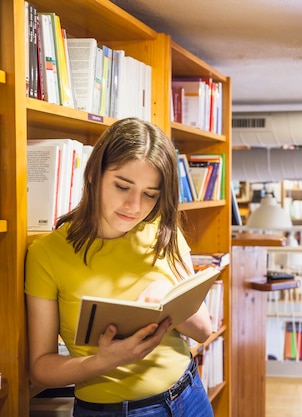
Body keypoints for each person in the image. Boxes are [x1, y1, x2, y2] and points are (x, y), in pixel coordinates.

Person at [25, 117, 215, 417]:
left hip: (189, 394)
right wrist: (103, 361)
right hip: (114, 411)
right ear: (94, 175)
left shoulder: (164, 231)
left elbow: (204, 330)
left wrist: (169, 295)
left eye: (150, 194)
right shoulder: (47, 254)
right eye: (122, 186)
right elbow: (40, 369)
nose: (134, 206)